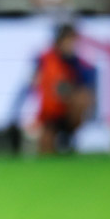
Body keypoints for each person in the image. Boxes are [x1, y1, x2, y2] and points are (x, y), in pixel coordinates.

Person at [32, 23, 97, 154]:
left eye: (73, 41)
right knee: (46, 149)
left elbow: (83, 90)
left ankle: (68, 136)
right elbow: (41, 83)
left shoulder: (77, 63)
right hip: (49, 112)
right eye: (68, 40)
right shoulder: (46, 60)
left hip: (67, 109)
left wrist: (70, 94)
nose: (71, 44)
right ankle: (58, 138)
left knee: (83, 98)